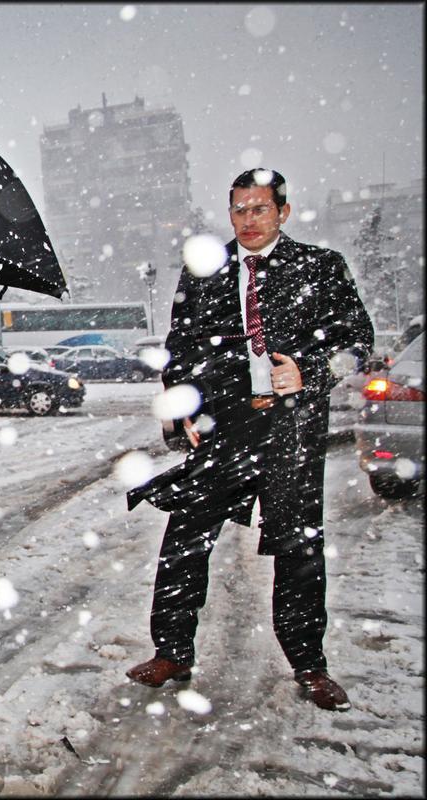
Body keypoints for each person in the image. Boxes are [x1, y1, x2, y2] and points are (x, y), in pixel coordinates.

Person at [126, 168, 374, 711]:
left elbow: (357, 339)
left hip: (291, 429)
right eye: (239, 209)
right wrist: (185, 403)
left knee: (299, 548)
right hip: (225, 427)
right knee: (185, 536)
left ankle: (310, 665)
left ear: (283, 212)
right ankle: (172, 652)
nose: (248, 220)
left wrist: (310, 370)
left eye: (259, 209)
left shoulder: (321, 268)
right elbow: (182, 346)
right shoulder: (206, 269)